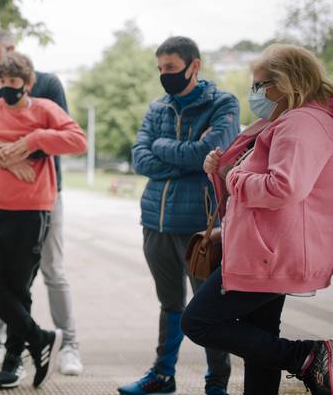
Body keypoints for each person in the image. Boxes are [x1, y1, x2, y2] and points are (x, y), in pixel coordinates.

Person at [182, 43, 333, 395]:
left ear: (286, 82)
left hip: (270, 251)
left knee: (199, 321)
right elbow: (255, 178)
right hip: (266, 247)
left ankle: (307, 356)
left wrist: (233, 175)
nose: (254, 93)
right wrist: (220, 171)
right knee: (260, 339)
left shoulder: (301, 122)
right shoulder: (286, 119)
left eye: (260, 84)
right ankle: (304, 359)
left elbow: (285, 187)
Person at [0, 52, 86, 389]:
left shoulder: (44, 110)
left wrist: (35, 140)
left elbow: (78, 141)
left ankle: (12, 362)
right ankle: (38, 337)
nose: (6, 88)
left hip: (33, 208)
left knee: (17, 286)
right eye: (1, 82)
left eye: (13, 82)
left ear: (27, 83)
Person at [123, 36, 240, 395]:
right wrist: (186, 155)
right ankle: (162, 375)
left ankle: (216, 383)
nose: (164, 75)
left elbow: (210, 155)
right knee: (170, 304)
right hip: (155, 222)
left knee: (209, 310)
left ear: (194, 66)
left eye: (170, 68)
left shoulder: (224, 104)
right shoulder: (158, 108)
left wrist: (166, 150)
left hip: (200, 228)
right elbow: (139, 158)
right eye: (160, 69)